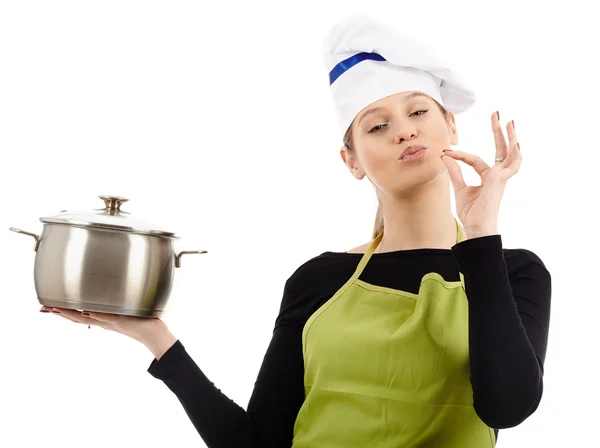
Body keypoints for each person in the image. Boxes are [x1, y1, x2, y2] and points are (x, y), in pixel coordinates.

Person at [41, 14, 552, 448]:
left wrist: (482, 236)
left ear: (452, 128)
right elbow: (259, 443)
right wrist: (157, 340)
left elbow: (506, 407)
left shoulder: (511, 272)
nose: (405, 130)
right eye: (376, 125)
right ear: (352, 161)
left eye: (418, 111)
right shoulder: (319, 279)